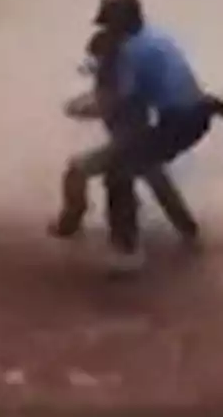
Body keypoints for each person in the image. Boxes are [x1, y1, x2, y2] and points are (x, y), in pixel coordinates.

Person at [50, 0, 223, 275]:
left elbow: (116, 101)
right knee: (146, 164)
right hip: (194, 115)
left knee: (119, 169)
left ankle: (125, 251)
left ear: (121, 22)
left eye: (110, 24)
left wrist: (80, 107)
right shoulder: (155, 37)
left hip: (180, 119)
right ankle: (188, 230)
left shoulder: (130, 53)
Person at [59, 23, 207, 252]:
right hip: (137, 142)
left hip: (130, 143)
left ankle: (73, 223)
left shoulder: (123, 78)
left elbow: (105, 103)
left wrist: (77, 108)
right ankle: (187, 229)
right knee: (156, 179)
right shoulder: (120, 75)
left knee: (79, 169)